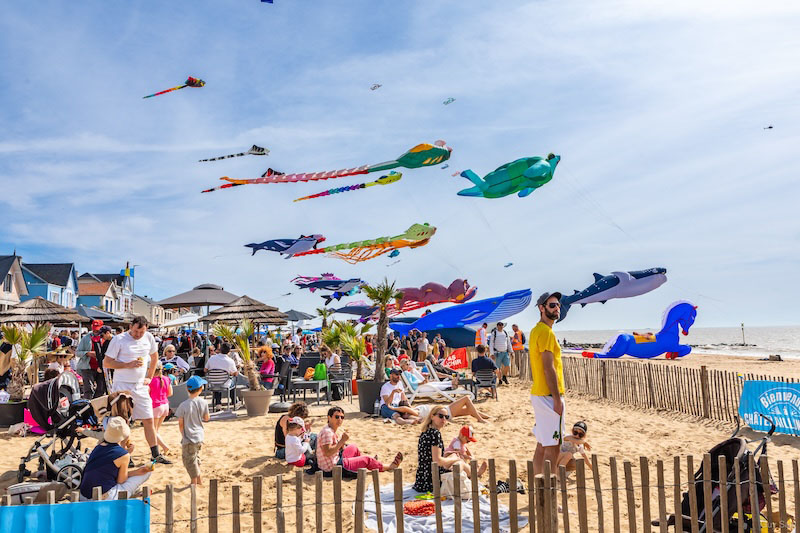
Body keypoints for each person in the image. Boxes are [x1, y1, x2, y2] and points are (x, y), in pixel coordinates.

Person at [103, 315, 171, 464]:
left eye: (141, 332)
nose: (138, 335)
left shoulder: (148, 337)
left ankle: (155, 454)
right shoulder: (119, 339)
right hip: (122, 385)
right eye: (135, 332)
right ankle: (125, 454)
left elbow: (154, 357)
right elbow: (107, 363)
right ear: (130, 327)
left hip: (140, 385)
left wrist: (150, 377)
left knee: (148, 419)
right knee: (123, 421)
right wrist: (127, 365)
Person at [529, 291, 565, 476]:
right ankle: (549, 494)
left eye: (558, 305)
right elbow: (548, 368)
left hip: (540, 394)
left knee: (543, 444)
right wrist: (557, 398)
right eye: (552, 305)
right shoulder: (545, 332)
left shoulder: (538, 330)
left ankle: (538, 491)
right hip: (548, 395)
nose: (557, 308)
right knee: (553, 447)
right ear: (542, 308)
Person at [79, 417, 153, 500]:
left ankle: (134, 491)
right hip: (104, 497)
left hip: (83, 495)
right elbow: (121, 481)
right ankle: (133, 491)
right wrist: (137, 471)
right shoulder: (123, 455)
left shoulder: (98, 447)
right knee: (147, 473)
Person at [316, 406, 403, 474]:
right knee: (367, 459)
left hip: (335, 459)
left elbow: (333, 448)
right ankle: (390, 466)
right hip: (332, 467)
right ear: (329, 417)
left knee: (352, 447)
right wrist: (341, 441)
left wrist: (342, 445)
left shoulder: (330, 429)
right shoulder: (327, 432)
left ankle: (366, 464)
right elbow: (327, 452)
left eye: (342, 417)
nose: (340, 419)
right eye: (337, 417)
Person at [413, 405, 469, 493]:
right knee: (459, 462)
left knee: (453, 455)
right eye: (440, 416)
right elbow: (437, 461)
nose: (443, 419)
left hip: (421, 479)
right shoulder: (435, 434)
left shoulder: (425, 432)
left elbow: (430, 457)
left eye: (446, 417)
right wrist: (455, 459)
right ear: (432, 416)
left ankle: (475, 473)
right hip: (432, 481)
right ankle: (474, 475)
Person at [176, 376, 210, 485]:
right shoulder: (203, 402)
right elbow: (206, 418)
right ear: (201, 389)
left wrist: (183, 434)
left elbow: (181, 423)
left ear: (187, 389)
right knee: (196, 457)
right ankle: (199, 480)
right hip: (199, 435)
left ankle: (194, 482)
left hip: (189, 437)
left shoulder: (183, 405)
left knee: (189, 460)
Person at [75, 320, 105, 399]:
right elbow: (77, 352)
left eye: (98, 329)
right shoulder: (86, 338)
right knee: (88, 389)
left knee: (101, 389)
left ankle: (96, 406)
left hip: (101, 367)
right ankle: (88, 407)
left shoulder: (105, 338)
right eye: (94, 328)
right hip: (87, 367)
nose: (96, 331)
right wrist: (88, 353)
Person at [149, 362, 173, 455]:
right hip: (165, 405)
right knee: (156, 430)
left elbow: (147, 394)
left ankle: (165, 447)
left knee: (153, 431)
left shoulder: (151, 381)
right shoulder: (167, 379)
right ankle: (158, 447)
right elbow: (170, 393)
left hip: (155, 406)